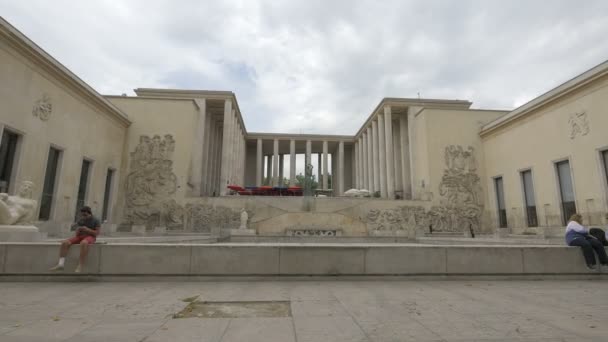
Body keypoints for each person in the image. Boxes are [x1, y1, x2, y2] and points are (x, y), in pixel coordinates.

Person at [50, 206, 101, 273]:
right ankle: (60, 264)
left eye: (85, 215)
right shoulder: (81, 219)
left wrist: (87, 230)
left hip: (90, 237)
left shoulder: (96, 220)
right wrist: (77, 229)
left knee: (84, 243)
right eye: (82, 215)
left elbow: (97, 233)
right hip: (80, 236)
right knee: (65, 243)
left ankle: (80, 265)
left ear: (89, 213)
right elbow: (73, 229)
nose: (83, 216)